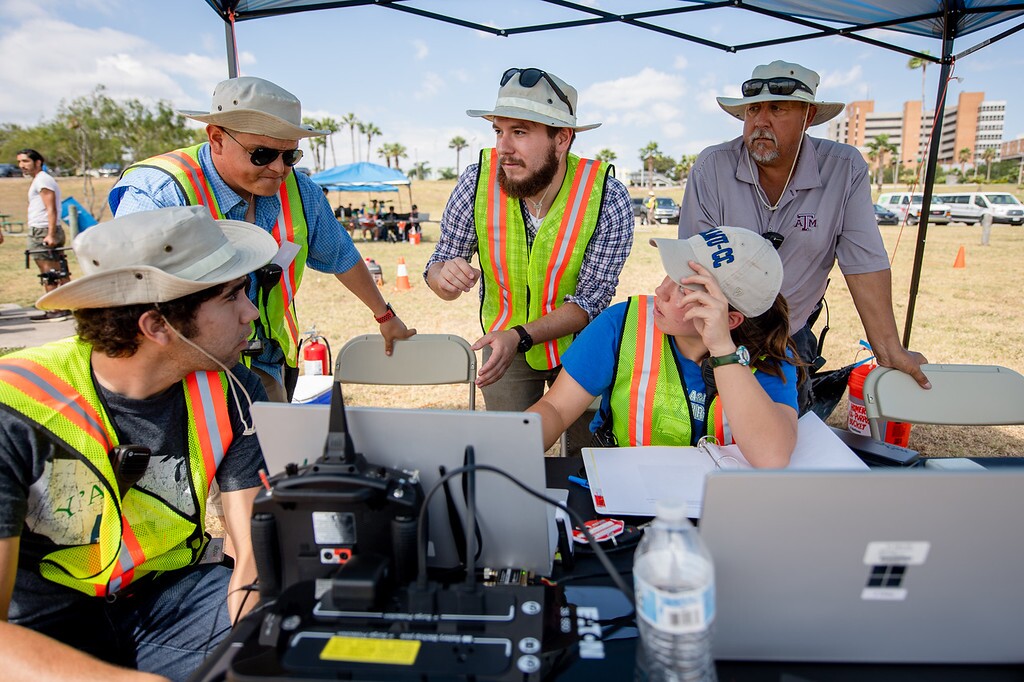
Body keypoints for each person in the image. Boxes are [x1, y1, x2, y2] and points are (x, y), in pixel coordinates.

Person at [0, 206, 278, 681]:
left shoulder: (233, 390)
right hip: (41, 628)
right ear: (157, 326)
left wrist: (253, 630)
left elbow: (251, 547)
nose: (251, 313)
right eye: (232, 295)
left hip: (172, 602)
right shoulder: (15, 406)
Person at [109, 77, 414, 402]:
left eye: (290, 156)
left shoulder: (300, 190)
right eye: (262, 154)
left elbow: (341, 255)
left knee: (271, 450)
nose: (278, 169)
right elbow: (128, 300)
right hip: (185, 373)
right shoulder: (160, 193)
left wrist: (385, 316)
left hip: (267, 362)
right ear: (216, 139)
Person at [678, 60, 929, 413]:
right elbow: (694, 263)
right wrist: (714, 340)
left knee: (784, 438)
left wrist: (889, 349)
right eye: (753, 109)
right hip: (719, 330)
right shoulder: (712, 166)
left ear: (808, 116)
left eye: (776, 109)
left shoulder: (844, 169)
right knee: (708, 429)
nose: (760, 122)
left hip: (791, 332)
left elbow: (863, 263)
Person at [424, 67, 634, 454]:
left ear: (562, 138)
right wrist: (443, 277)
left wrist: (520, 335)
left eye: (519, 132)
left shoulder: (606, 196)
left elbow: (590, 302)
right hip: (502, 349)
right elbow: (438, 265)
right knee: (508, 455)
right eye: (498, 131)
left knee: (584, 462)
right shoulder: (475, 182)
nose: (504, 147)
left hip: (580, 345)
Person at [529, 226, 798, 466]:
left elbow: (771, 457)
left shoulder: (768, 353)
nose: (661, 291)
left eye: (683, 288)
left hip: (722, 501)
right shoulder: (621, 323)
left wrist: (723, 351)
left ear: (730, 319)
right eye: (670, 275)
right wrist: (514, 446)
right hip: (625, 490)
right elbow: (556, 409)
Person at [17, 148, 72, 322]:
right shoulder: (40, 180)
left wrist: (50, 234)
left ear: (38, 162)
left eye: (25, 161)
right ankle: (66, 305)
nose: (22, 166)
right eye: (19, 162)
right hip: (43, 229)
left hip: (43, 230)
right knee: (59, 270)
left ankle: (56, 309)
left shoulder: (43, 180)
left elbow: (51, 208)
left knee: (49, 271)